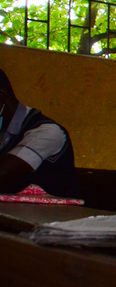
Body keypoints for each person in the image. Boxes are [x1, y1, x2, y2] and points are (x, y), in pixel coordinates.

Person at [0, 69, 80, 198]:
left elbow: (4, 172)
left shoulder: (48, 132)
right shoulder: (3, 132)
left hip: (56, 217)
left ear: (1, 95)